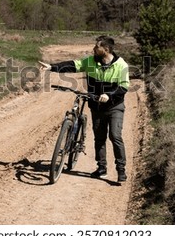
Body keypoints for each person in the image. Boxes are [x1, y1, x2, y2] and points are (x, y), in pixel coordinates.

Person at [39, 36, 130, 183]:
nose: (93, 49)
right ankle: (101, 168)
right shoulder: (90, 61)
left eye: (96, 47)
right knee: (99, 138)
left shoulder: (121, 65)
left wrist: (109, 95)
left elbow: (124, 87)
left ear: (105, 50)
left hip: (114, 107)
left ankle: (121, 169)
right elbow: (72, 65)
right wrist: (52, 67)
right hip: (96, 106)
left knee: (115, 135)